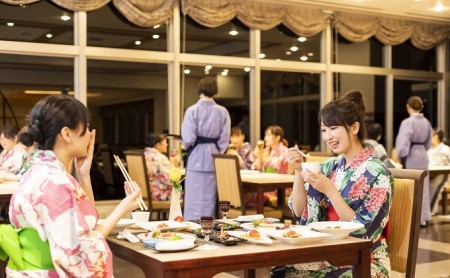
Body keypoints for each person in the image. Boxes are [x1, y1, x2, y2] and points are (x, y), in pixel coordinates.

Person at [2, 95, 142, 277]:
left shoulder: (37, 171)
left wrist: (83, 175)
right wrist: (123, 207)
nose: (91, 135)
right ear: (67, 134)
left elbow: (85, 226)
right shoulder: (56, 181)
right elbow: (83, 249)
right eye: (87, 128)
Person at [272, 90, 393, 277]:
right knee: (279, 273)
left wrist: (330, 191)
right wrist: (297, 171)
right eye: (323, 130)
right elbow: (299, 211)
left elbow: (364, 233)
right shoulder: (329, 166)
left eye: (334, 128)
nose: (328, 136)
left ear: (354, 128)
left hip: (365, 260)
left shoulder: (378, 172)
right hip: (328, 252)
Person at [181, 76, 231, 220]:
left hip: (196, 155)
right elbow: (225, 138)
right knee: (209, 198)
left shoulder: (192, 110)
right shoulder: (222, 111)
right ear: (215, 90)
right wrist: (219, 150)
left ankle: (191, 226)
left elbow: (188, 137)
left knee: (192, 197)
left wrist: (187, 146)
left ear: (199, 90)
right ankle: (207, 227)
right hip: (213, 156)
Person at [395, 95, 433, 226]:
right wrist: (422, 149)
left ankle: (414, 217)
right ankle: (424, 217)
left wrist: (400, 155)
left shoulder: (407, 122)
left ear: (408, 107)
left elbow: (403, 141)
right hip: (423, 153)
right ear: (421, 107)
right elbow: (429, 141)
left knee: (412, 184)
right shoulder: (426, 122)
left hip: (411, 154)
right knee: (424, 185)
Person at [144, 132, 175, 201]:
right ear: (158, 145)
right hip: (158, 194)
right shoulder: (159, 158)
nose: (167, 145)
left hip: (142, 193)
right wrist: (172, 164)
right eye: (165, 143)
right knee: (186, 195)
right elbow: (170, 180)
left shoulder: (144, 155)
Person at [427, 128, 450, 214]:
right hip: (430, 173)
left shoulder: (446, 149)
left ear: (436, 136)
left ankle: (430, 212)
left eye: (432, 135)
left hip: (443, 174)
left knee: (433, 186)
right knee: (425, 186)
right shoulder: (429, 149)